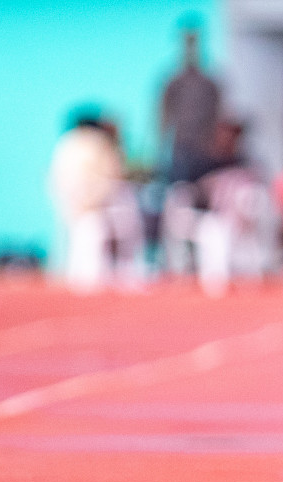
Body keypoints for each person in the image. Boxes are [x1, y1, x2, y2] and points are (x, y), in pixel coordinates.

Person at [47, 110, 145, 291]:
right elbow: (113, 174)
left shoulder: (66, 143)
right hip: (90, 203)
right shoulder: (96, 144)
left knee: (83, 237)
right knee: (97, 232)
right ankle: (115, 274)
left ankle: (80, 277)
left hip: (73, 202)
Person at [159, 20, 222, 186]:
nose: (190, 48)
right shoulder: (174, 82)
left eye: (193, 43)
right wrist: (160, 150)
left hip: (204, 150)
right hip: (180, 149)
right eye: (187, 43)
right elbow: (163, 117)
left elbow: (218, 114)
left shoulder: (209, 84)